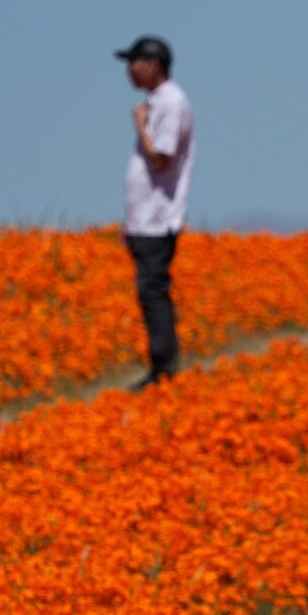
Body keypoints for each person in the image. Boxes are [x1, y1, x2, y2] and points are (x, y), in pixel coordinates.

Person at [116, 35, 195, 389]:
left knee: (153, 289)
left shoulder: (171, 104)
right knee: (149, 289)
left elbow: (161, 156)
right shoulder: (158, 103)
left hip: (158, 218)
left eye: (134, 62)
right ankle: (161, 366)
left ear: (154, 65)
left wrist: (139, 124)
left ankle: (163, 369)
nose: (129, 70)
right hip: (145, 217)